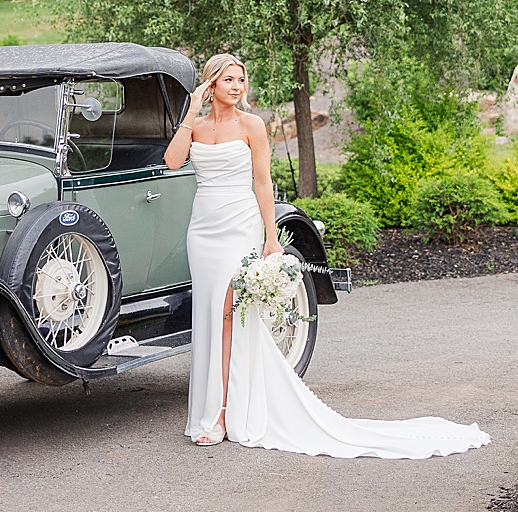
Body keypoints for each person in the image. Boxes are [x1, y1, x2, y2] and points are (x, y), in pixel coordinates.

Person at [163, 53, 491, 458]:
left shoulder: (252, 126)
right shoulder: (194, 126)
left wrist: (271, 238)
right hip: (204, 229)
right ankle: (209, 409)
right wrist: (190, 111)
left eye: (241, 80)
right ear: (210, 84)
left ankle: (226, 413)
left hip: (239, 224)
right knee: (209, 315)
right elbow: (172, 160)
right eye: (228, 79)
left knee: (231, 313)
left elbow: (263, 184)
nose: (236, 87)